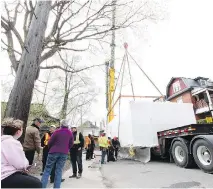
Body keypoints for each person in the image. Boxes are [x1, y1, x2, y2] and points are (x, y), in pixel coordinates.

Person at [1, 118, 42, 188]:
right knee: (37, 183)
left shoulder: (3, 140)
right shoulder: (12, 142)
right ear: (19, 131)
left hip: (24, 150)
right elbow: (20, 164)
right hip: (5, 175)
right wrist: (39, 152)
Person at [41, 119, 74, 189]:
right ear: (67, 125)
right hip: (64, 153)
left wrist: (51, 148)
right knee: (59, 171)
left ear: (61, 124)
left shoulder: (57, 132)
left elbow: (50, 142)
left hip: (53, 152)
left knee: (47, 170)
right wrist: (67, 149)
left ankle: (42, 187)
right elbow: (71, 143)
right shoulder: (70, 133)